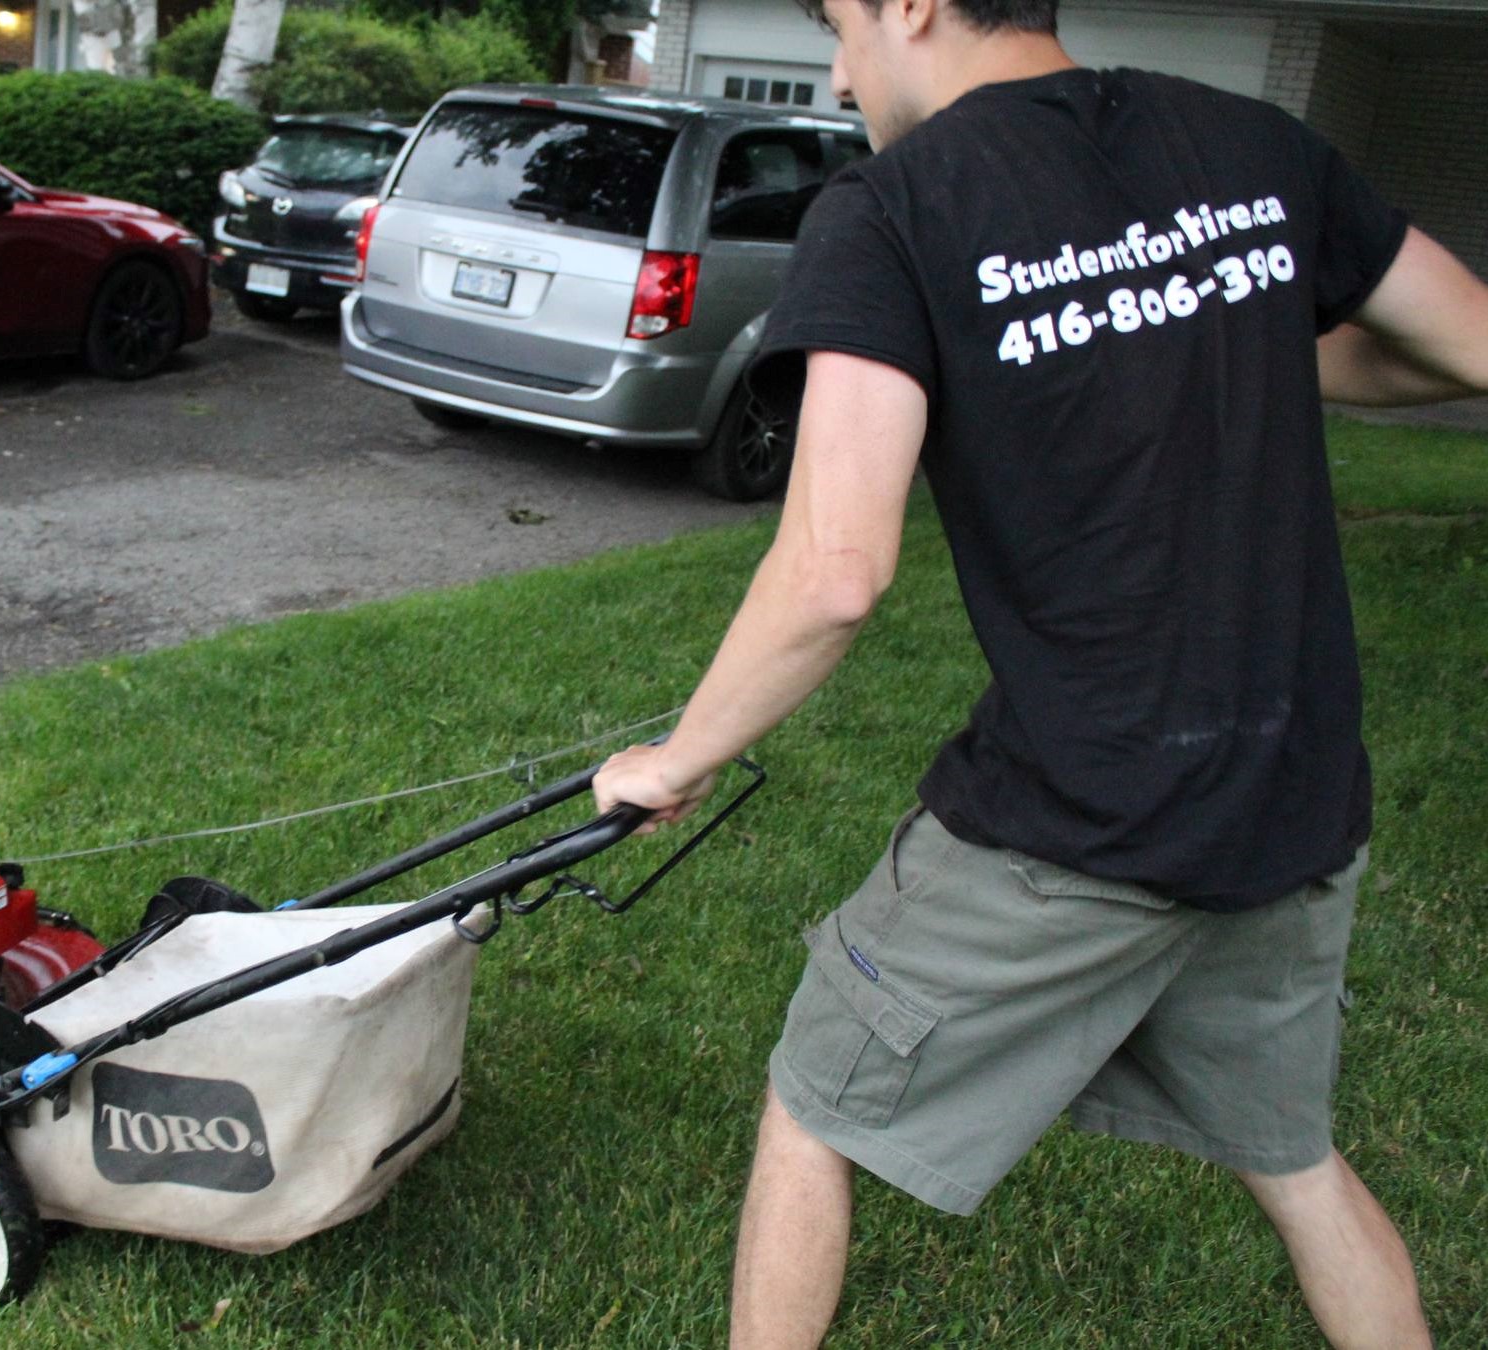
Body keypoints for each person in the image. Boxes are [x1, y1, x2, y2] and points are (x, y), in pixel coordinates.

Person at [591, 1, 1488, 1346]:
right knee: (1292, 1160)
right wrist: (1223, 332)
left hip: (1081, 815)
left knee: (813, 1099)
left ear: (911, 5)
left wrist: (675, 758)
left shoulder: (894, 208)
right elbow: (1467, 339)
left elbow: (835, 567)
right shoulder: (1251, 142)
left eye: (840, 24)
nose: (837, 69)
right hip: (1290, 799)